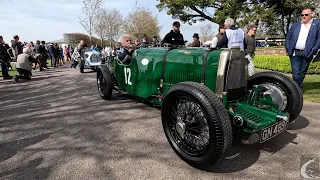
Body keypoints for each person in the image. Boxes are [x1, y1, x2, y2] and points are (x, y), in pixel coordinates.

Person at [285, 7, 320, 89]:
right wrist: (288, 48)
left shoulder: (317, 24)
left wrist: (313, 50)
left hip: (308, 52)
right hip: (295, 52)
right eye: (302, 15)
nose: (304, 16)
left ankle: (296, 89)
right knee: (296, 73)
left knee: (302, 72)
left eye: (306, 15)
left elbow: (319, 39)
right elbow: (288, 38)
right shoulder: (295, 25)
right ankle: (297, 89)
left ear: (312, 15)